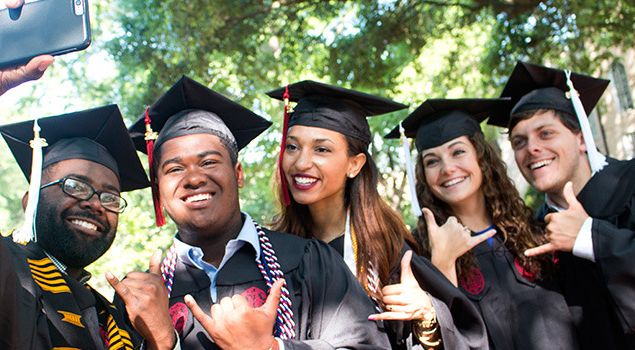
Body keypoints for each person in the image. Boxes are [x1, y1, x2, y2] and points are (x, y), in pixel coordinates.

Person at [0, 2, 178, 349]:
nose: (95, 204)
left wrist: (161, 342)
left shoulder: (114, 320)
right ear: (30, 199)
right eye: (75, 185)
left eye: (110, 197)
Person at [126, 76, 390, 349]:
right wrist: (161, 344)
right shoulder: (139, 298)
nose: (194, 178)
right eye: (175, 169)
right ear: (158, 187)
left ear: (238, 173)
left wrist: (272, 348)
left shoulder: (309, 260)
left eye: (209, 162)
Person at [265, 81, 488, 349]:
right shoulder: (272, 251)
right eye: (292, 147)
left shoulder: (386, 252)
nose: (301, 162)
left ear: (354, 164)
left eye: (321, 149)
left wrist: (428, 316)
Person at [489, 60, 635, 349]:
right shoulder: (534, 233)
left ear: (582, 139)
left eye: (545, 133)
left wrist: (590, 237)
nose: (531, 148)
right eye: (519, 142)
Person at [391, 98, 579, 349]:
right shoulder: (417, 254)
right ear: (424, 176)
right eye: (432, 161)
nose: (447, 168)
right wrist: (443, 264)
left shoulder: (534, 231)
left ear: (482, 157)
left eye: (458, 152)